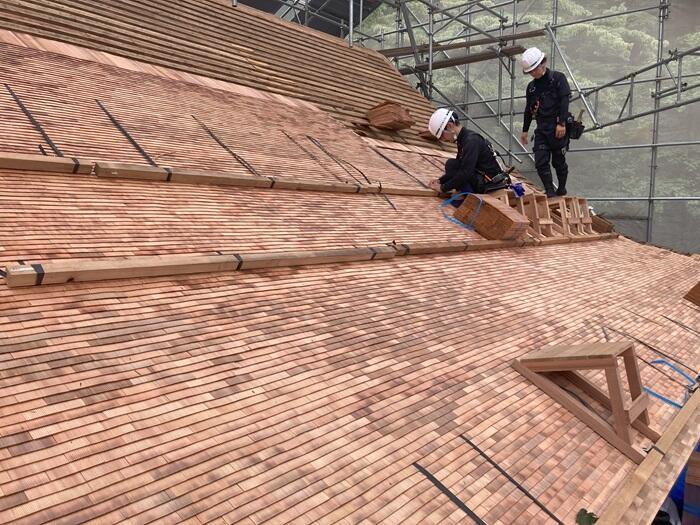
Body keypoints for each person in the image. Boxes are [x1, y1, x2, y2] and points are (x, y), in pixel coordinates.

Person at [519, 47, 571, 197]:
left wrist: (561, 123)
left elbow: (564, 101)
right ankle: (549, 191)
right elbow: (529, 110)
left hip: (557, 126)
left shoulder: (558, 78)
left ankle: (561, 188)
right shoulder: (531, 88)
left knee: (558, 161)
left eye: (535, 69)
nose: (533, 73)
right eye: (530, 71)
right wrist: (525, 130)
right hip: (542, 128)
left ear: (543, 63)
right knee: (541, 160)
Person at [427, 108, 504, 196]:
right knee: (454, 165)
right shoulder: (464, 139)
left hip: (490, 184)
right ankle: (463, 193)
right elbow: (462, 166)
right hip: (485, 179)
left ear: (450, 126)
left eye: (442, 136)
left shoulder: (471, 141)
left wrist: (442, 188)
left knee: (451, 165)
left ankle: (465, 195)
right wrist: (440, 180)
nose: (443, 140)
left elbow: (465, 172)